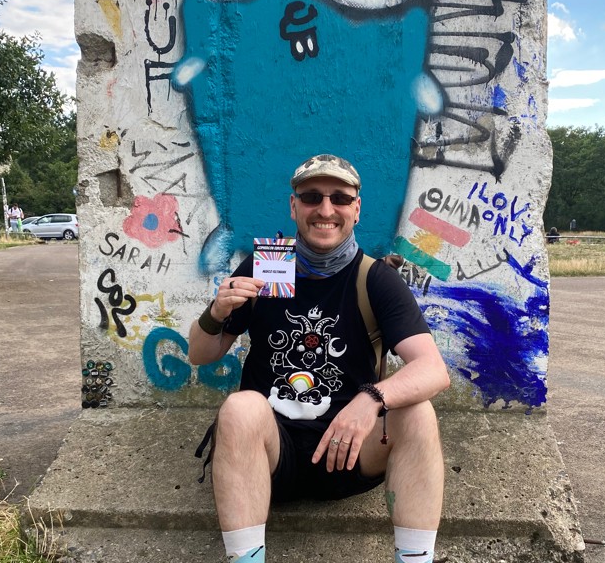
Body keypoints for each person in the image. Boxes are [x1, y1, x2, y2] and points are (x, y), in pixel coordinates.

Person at [188, 154, 450, 563]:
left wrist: (370, 399)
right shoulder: (266, 266)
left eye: (339, 198)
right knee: (239, 408)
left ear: (356, 209)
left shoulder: (375, 279)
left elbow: (433, 370)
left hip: (350, 451)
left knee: (417, 413)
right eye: (312, 197)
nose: (326, 210)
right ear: (294, 206)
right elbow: (200, 354)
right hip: (272, 456)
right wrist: (217, 312)